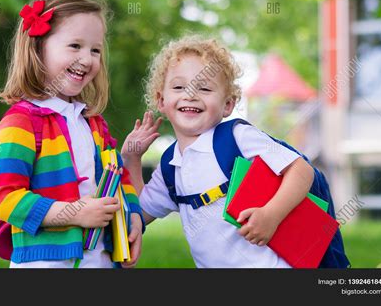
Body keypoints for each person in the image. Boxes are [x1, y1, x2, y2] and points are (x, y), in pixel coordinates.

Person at [121, 35, 315, 268]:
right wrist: (132, 159)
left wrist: (271, 215)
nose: (190, 94)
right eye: (179, 87)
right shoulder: (170, 168)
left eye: (204, 88)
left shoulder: (237, 137)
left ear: (228, 105)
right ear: (161, 100)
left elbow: (301, 170)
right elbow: (138, 214)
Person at [0, 0, 144, 268]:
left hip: (100, 260)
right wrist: (73, 213)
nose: (87, 59)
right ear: (38, 48)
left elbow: (119, 177)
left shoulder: (93, 123)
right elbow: (5, 198)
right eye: (75, 46)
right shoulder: (21, 124)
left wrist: (133, 216)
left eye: (95, 50)